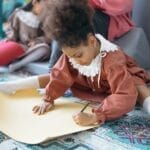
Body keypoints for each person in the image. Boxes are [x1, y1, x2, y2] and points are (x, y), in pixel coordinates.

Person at [0, 0, 150, 126]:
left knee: (134, 83)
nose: (74, 61)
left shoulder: (112, 61)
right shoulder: (74, 56)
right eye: (70, 56)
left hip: (115, 80)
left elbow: (125, 95)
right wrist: (48, 98)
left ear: (92, 41)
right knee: (61, 73)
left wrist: (96, 116)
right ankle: (13, 86)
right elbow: (58, 75)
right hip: (92, 84)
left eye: (78, 55)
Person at [48, 0, 134, 69]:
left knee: (83, 16)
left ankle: (56, 70)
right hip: (76, 15)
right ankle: (54, 71)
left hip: (109, 18)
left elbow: (123, 4)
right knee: (61, 18)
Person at [0, 0, 50, 71]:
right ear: (35, 2)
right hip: (18, 45)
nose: (46, 9)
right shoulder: (19, 13)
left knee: (45, 49)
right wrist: (11, 37)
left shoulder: (44, 19)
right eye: (45, 6)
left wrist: (37, 41)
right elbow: (13, 29)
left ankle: (19, 64)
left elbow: (48, 36)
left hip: (31, 49)